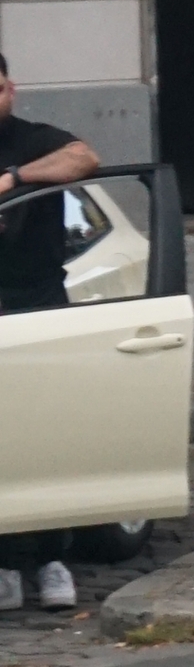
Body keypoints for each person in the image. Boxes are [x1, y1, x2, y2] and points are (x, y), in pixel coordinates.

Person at [0, 49, 102, 613]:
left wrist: (14, 179)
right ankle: (6, 561)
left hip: (39, 305)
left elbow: (84, 159)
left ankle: (52, 558)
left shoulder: (36, 138)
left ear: (10, 88)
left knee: (49, 434)